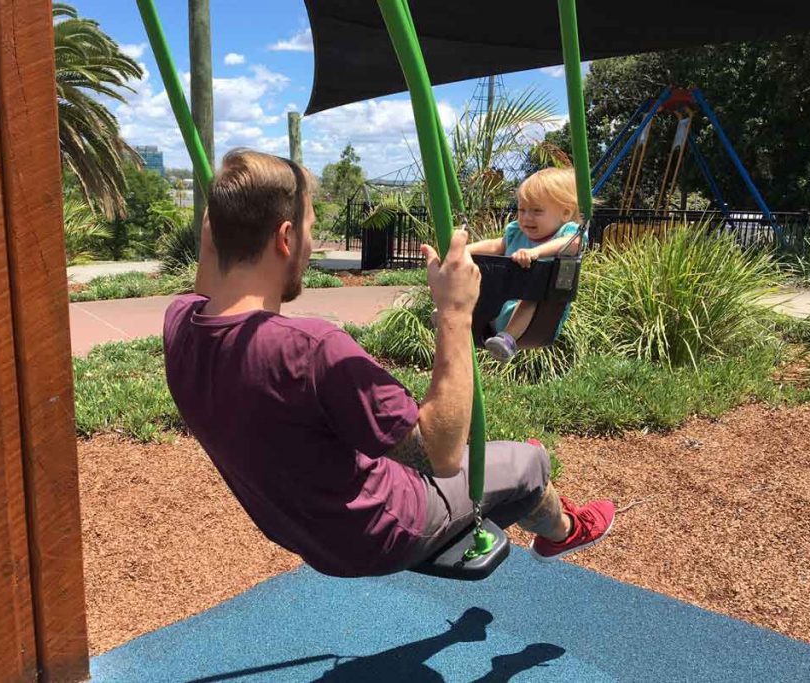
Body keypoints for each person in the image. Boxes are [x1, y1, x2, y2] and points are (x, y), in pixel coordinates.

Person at [162, 149, 614, 578]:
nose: (312, 242)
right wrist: (456, 314)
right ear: (285, 238)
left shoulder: (180, 320)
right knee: (529, 461)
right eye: (311, 228)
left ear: (213, 232)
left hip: (302, 531)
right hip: (382, 532)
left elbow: (207, 276)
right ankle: (565, 532)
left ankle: (538, 509)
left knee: (452, 455)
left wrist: (222, 219)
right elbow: (441, 456)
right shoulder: (313, 350)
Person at [467, 167, 585, 361]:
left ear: (565, 213)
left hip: (534, 318)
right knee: (478, 284)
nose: (526, 217)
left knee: (531, 295)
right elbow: (496, 245)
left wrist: (536, 252)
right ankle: (453, 315)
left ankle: (507, 340)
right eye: (522, 209)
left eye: (537, 211)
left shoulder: (568, 233)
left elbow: (572, 245)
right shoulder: (516, 232)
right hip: (498, 307)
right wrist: (465, 249)